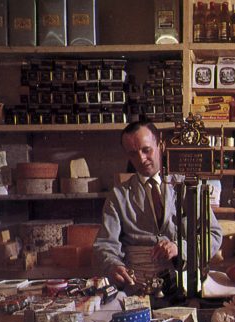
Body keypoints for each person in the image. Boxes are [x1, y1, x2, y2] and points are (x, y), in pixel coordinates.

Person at [93, 120, 223, 292]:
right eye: (133, 154)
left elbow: (213, 235)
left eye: (146, 150)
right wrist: (113, 265)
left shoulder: (188, 187)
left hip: (183, 285)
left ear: (160, 145)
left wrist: (180, 248)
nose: (141, 159)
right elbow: (105, 244)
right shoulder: (118, 195)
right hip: (136, 288)